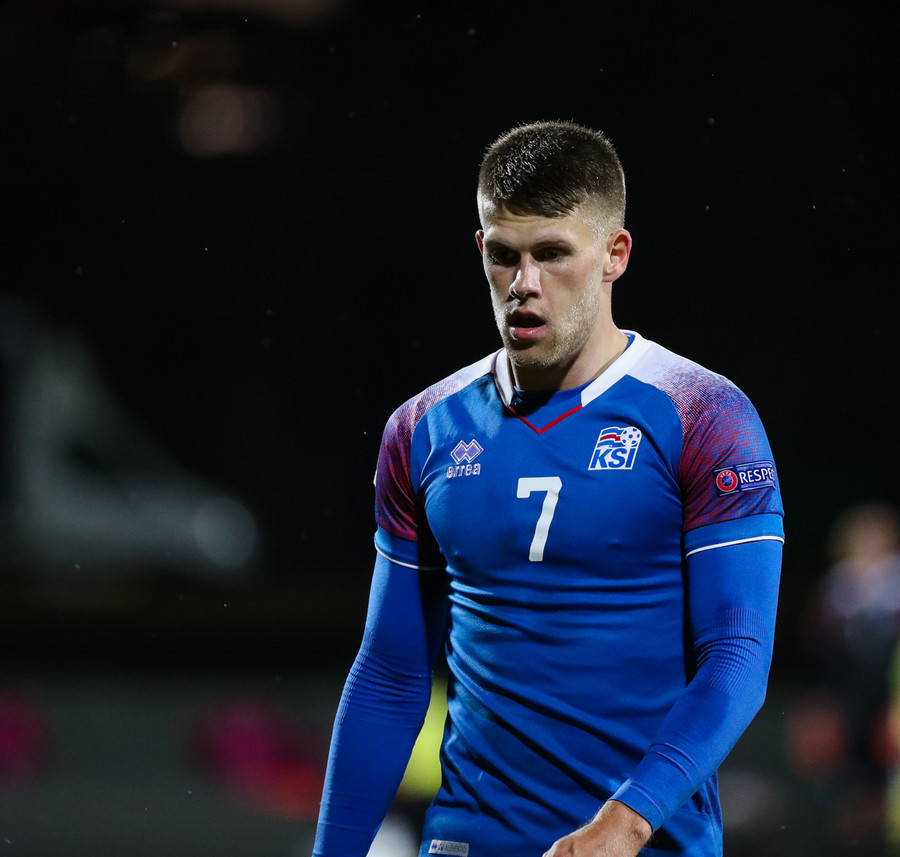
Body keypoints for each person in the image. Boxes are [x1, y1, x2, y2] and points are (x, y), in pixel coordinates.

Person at [311, 120, 784, 857]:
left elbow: (738, 655)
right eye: (504, 255)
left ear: (614, 254)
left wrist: (626, 821)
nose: (524, 284)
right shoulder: (424, 428)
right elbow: (390, 675)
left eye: (553, 254)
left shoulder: (703, 414)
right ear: (481, 249)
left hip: (642, 844)